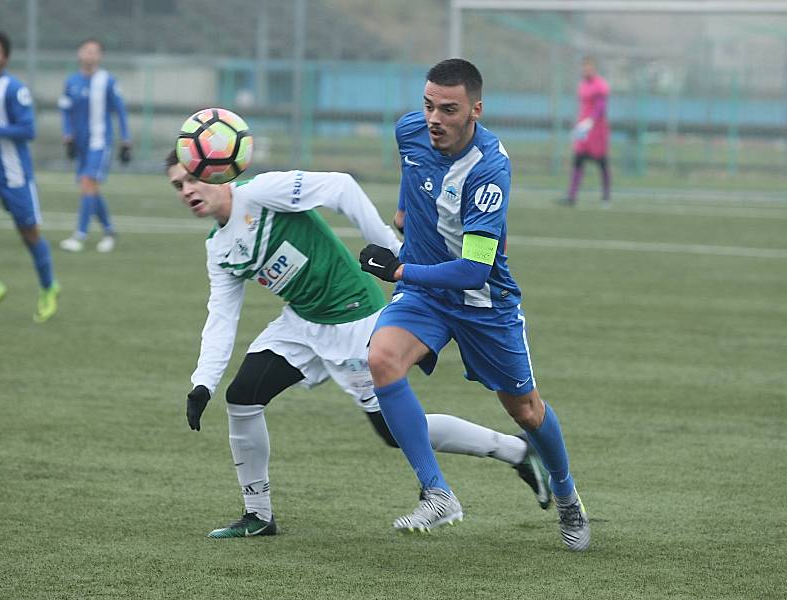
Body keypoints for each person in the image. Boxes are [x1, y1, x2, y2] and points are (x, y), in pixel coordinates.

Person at [165, 149, 552, 538]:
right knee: (243, 397)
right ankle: (258, 515)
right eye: (178, 185)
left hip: (354, 317)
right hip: (302, 323)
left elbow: (341, 186)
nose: (186, 190)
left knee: (390, 431)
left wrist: (394, 249)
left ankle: (517, 451)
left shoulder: (262, 193)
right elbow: (221, 316)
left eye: (193, 178)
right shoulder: (219, 247)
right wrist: (203, 383)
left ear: (218, 173)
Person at [359, 58, 590, 551]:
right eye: (428, 105)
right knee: (380, 359)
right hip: (425, 294)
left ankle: (568, 495)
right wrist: (404, 212)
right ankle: (438, 492)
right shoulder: (411, 130)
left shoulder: (489, 170)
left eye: (448, 109)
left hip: (483, 302)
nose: (433, 118)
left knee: (525, 410)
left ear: (475, 111)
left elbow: (474, 269)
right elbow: (411, 164)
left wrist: (400, 269)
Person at [0, 31, 59, 322]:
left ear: (5, 57)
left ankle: (49, 287)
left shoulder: (13, 89)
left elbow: (28, 130)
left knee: (29, 234)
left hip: (14, 175)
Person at [59, 38, 131, 253]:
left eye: (94, 51)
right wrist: (67, 136)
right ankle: (109, 231)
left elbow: (120, 111)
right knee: (91, 188)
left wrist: (125, 139)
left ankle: (79, 235)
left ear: (100, 56)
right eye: (86, 50)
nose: (90, 55)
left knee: (87, 183)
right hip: (80, 144)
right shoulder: (71, 81)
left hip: (100, 142)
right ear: (79, 54)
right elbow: (66, 111)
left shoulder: (107, 81)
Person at [561, 56, 611, 206]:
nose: (585, 70)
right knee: (578, 160)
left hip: (597, 131)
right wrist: (581, 124)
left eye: (589, 67)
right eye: (584, 67)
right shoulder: (582, 85)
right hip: (584, 129)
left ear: (594, 68)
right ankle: (572, 196)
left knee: (602, 162)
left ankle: (606, 196)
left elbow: (600, 106)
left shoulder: (600, 85)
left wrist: (591, 121)